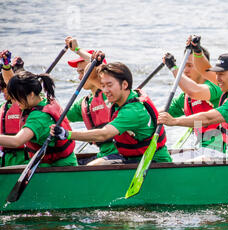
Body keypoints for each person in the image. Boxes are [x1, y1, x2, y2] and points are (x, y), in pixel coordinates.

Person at [158, 43, 228, 161]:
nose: (217, 79)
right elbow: (205, 70)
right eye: (216, 74)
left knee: (187, 161)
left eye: (221, 74)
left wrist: (174, 121)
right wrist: (197, 50)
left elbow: (208, 118)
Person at [51, 55, 172, 163]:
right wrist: (96, 62)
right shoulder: (117, 98)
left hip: (153, 162)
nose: (105, 90)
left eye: (109, 85)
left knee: (96, 166)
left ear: (124, 85)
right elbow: (91, 77)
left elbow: (104, 134)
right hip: (134, 159)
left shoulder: (132, 110)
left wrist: (66, 134)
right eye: (102, 86)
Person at [0, 69, 78, 167]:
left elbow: (17, 141)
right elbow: (15, 84)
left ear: (31, 94)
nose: (14, 101)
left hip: (57, 167)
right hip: (60, 162)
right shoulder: (41, 98)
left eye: (16, 98)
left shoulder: (38, 118)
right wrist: (6, 68)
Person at [163, 46, 225, 161]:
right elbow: (161, 114)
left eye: (190, 66)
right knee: (166, 160)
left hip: (221, 152)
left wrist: (173, 68)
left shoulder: (216, 87)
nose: (185, 70)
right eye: (184, 65)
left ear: (201, 68)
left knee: (177, 164)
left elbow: (195, 91)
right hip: (201, 150)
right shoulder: (185, 98)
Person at [64, 36, 120, 165]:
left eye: (83, 72)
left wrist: (78, 50)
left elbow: (106, 70)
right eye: (78, 72)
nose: (79, 77)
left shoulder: (112, 95)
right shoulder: (85, 103)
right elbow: (59, 117)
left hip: (122, 154)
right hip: (104, 154)